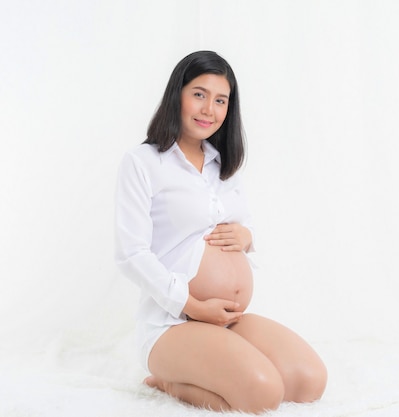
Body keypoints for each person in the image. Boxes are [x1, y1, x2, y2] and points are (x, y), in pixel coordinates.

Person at [114, 50, 327, 414]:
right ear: (176, 95)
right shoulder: (143, 163)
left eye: (220, 100)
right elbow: (130, 255)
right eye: (199, 94)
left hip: (228, 320)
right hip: (171, 324)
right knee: (262, 394)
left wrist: (248, 237)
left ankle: (215, 362)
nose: (208, 109)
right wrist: (194, 306)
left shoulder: (221, 164)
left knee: (309, 381)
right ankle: (167, 379)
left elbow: (243, 223)